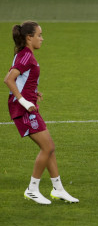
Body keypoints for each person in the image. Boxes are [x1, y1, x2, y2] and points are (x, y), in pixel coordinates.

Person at [4, 21, 78, 204]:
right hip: (22, 109)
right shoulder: (26, 56)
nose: (42, 38)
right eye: (39, 35)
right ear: (29, 38)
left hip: (28, 106)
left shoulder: (26, 54)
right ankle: (32, 189)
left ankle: (58, 189)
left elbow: (22, 79)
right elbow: (9, 79)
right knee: (47, 147)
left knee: (49, 147)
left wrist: (32, 93)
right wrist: (24, 101)